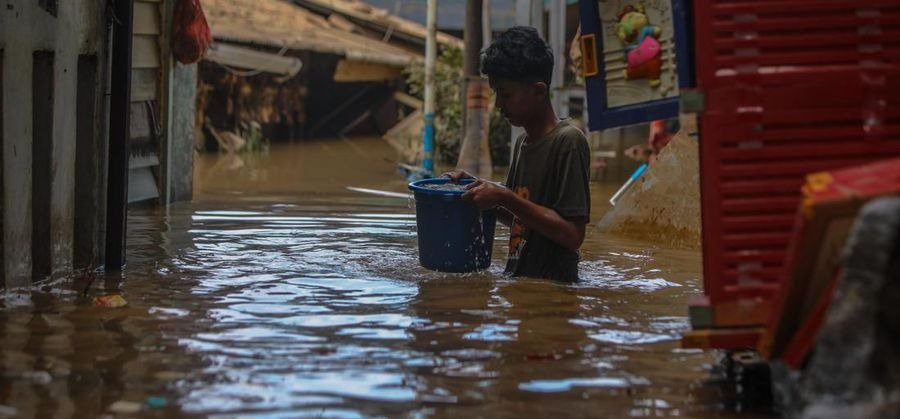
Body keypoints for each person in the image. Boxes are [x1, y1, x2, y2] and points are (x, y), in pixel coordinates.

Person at [445, 26, 592, 282]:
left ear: (538, 91)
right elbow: (519, 219)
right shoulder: (523, 142)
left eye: (506, 95)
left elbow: (572, 235)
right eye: (496, 95)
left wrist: (504, 196)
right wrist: (477, 190)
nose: (499, 105)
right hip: (521, 284)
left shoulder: (568, 141)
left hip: (552, 293)